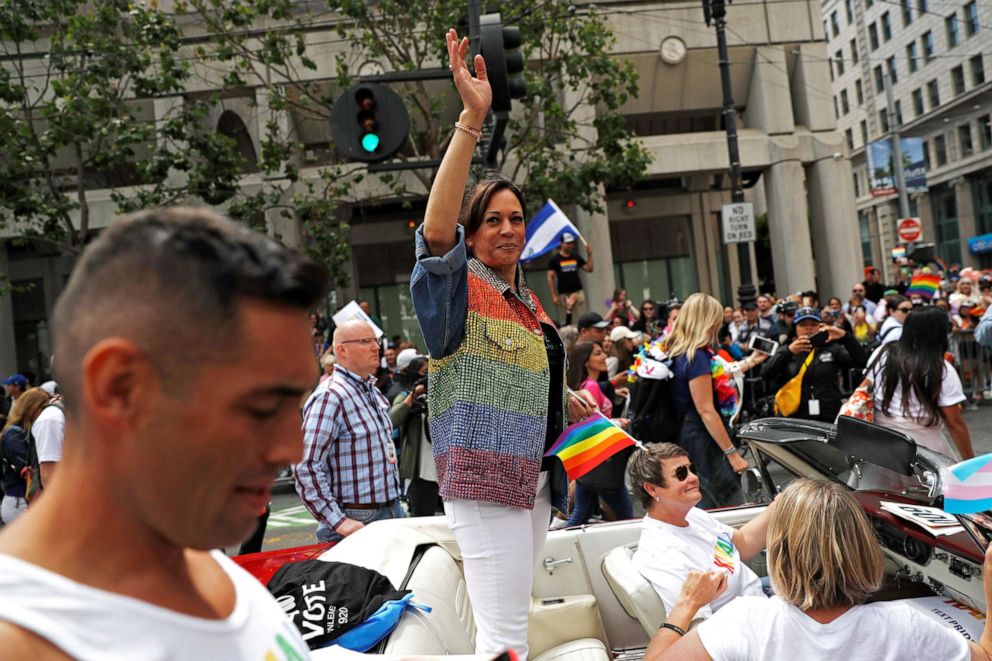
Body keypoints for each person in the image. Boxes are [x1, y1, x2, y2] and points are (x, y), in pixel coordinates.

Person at [0, 207, 322, 658]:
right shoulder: (23, 640)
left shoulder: (219, 577)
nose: (292, 448)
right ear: (119, 388)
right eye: (261, 407)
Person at [409, 28, 594, 661]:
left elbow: (523, 376)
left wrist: (571, 403)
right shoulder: (457, 285)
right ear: (471, 231)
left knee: (513, 622)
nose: (509, 229)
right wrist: (471, 118)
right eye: (493, 219)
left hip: (538, 481)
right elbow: (435, 230)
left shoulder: (529, 302)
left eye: (516, 218)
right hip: (484, 486)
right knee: (503, 639)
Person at [645, 478, 992, 661]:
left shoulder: (743, 622)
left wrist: (685, 606)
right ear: (862, 548)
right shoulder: (904, 626)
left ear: (779, 553)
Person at [630, 443, 772, 619]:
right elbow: (699, 626)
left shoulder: (692, 515)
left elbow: (743, 543)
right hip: (750, 622)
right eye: (681, 473)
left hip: (759, 596)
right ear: (652, 489)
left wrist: (783, 504)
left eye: (692, 469)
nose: (693, 478)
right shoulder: (662, 554)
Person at [295, 319, 405, 543]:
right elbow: (304, 464)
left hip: (391, 511)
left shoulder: (371, 392)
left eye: (375, 340)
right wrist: (337, 521)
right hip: (356, 520)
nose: (376, 347)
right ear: (342, 350)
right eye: (366, 341)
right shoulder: (331, 396)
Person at [666, 293, 765, 508]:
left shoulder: (678, 352)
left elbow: (722, 374)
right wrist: (732, 454)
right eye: (716, 320)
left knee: (705, 500)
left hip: (690, 433)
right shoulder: (698, 356)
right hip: (701, 437)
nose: (719, 325)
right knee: (719, 502)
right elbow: (706, 410)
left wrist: (750, 361)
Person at [864, 306, 974, 460]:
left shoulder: (882, 352)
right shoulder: (942, 369)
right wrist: (971, 462)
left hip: (882, 443)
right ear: (938, 333)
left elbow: (864, 389)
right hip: (924, 449)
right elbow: (954, 422)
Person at [564, 341, 632, 527]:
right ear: (586, 361)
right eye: (598, 353)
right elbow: (593, 424)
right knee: (627, 516)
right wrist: (618, 423)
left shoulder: (586, 385)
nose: (604, 357)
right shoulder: (591, 386)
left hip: (591, 458)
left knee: (580, 514)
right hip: (602, 459)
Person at [763, 307, 866, 423]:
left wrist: (846, 337)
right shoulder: (788, 350)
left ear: (820, 326)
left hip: (829, 415)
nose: (808, 328)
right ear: (795, 328)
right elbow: (766, 373)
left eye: (813, 324)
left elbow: (861, 362)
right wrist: (788, 351)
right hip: (796, 417)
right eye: (803, 324)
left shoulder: (832, 348)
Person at [390, 354, 441, 517]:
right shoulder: (406, 395)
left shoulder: (439, 395)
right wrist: (414, 396)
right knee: (422, 517)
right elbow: (392, 419)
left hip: (442, 469)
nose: (427, 377)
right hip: (419, 471)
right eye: (424, 372)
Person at [0, 388, 50, 524]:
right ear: (33, 408)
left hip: (25, 499)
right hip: (19, 501)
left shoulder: (27, 430)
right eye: (44, 407)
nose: (47, 411)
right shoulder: (14, 434)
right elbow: (28, 470)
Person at [546, 232, 594, 325]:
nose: (570, 245)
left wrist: (589, 255)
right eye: (567, 243)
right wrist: (554, 295)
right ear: (561, 243)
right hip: (564, 294)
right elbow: (550, 277)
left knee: (582, 320)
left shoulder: (575, 256)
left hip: (578, 292)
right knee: (567, 320)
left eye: (571, 243)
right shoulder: (555, 259)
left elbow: (589, 268)